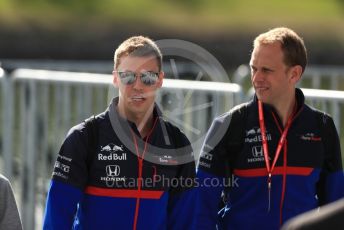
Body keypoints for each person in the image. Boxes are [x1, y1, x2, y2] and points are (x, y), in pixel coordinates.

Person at [194, 27, 344, 229]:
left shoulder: (321, 126)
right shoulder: (229, 125)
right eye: (253, 68)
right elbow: (200, 209)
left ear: (294, 74)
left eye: (266, 70)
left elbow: (335, 207)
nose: (256, 79)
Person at [43, 36, 195, 229]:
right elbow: (57, 220)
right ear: (115, 78)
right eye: (128, 76)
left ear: (160, 80)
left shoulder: (177, 143)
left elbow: (185, 223)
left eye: (148, 77)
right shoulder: (85, 137)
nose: (138, 85)